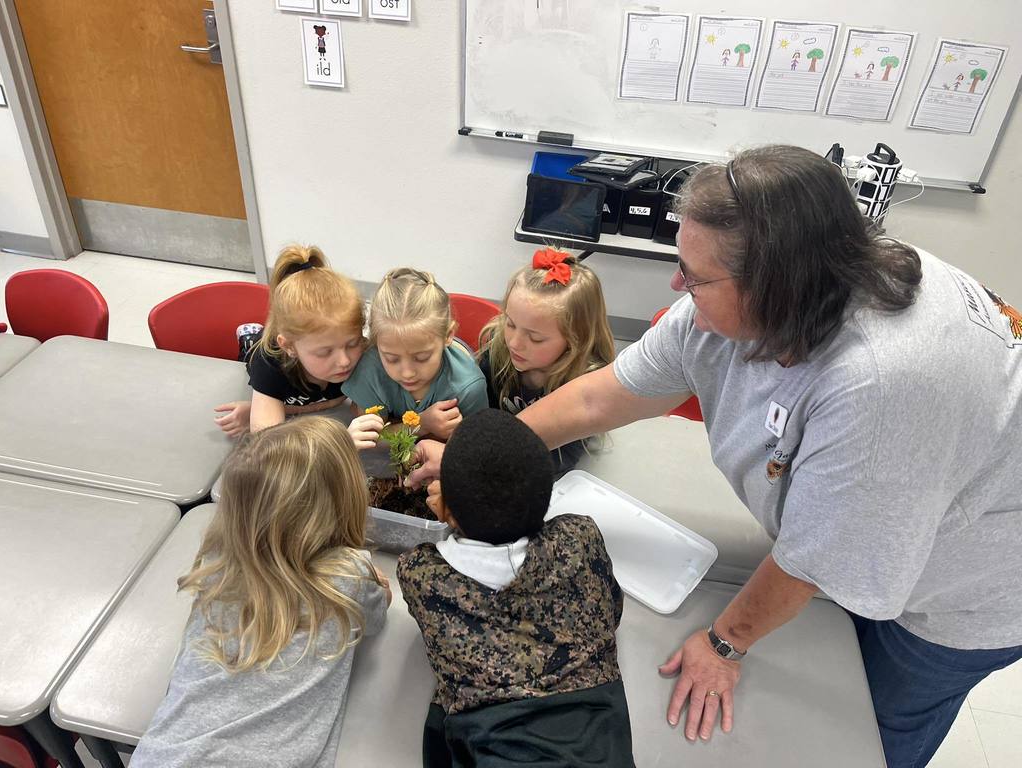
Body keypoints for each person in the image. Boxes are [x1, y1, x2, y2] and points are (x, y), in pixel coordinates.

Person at [407, 145, 1022, 768]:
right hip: (883, 504)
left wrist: (725, 644)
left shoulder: (881, 387)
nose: (678, 286)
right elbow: (599, 397)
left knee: (859, 736)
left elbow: (814, 559)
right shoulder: (784, 286)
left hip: (967, 586)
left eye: (695, 277)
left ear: (772, 288)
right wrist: (485, 459)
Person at [131, 416, 392, 767]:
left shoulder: (215, 563)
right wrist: (374, 584)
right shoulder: (349, 575)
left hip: (163, 756)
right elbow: (376, 616)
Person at [397, 409, 634, 767]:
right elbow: (611, 611)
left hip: (492, 737)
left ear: (445, 510)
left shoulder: (421, 575)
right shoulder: (580, 537)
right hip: (598, 737)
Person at [213, 245, 384, 449]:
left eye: (353, 343)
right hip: (262, 351)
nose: (345, 361)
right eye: (325, 352)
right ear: (289, 346)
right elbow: (269, 448)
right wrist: (339, 443)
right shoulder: (269, 363)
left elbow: (342, 404)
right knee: (253, 348)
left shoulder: (363, 356)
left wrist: (269, 409)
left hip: (299, 397)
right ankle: (249, 336)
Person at [478, 247, 615, 476]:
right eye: (510, 324)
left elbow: (563, 458)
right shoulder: (497, 351)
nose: (514, 343)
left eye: (535, 338)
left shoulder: (586, 384)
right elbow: (479, 415)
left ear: (575, 340)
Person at [342, 267, 488, 440]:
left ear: (448, 336)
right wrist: (422, 424)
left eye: (421, 358)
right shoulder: (369, 368)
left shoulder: (468, 387)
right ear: (376, 344)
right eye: (391, 359)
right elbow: (370, 438)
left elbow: (476, 443)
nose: (407, 373)